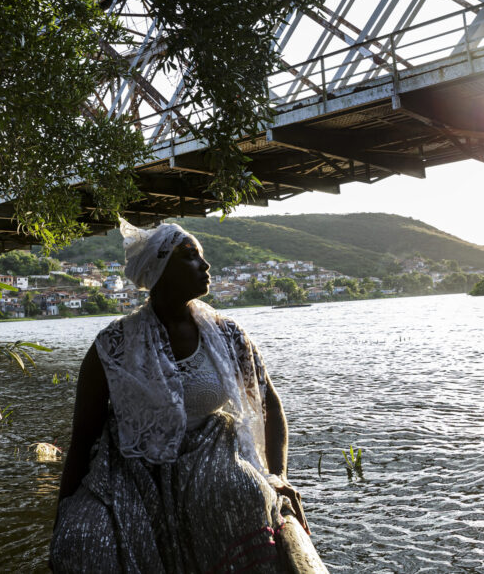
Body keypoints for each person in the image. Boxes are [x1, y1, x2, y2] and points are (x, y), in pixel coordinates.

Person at [49, 219, 327, 573]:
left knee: (245, 496)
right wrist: (64, 512)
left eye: (202, 256)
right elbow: (83, 438)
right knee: (84, 538)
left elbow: (270, 404)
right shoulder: (113, 345)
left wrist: (279, 476)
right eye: (191, 256)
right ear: (160, 268)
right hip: (133, 468)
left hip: (213, 451)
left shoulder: (227, 334)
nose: (205, 265)